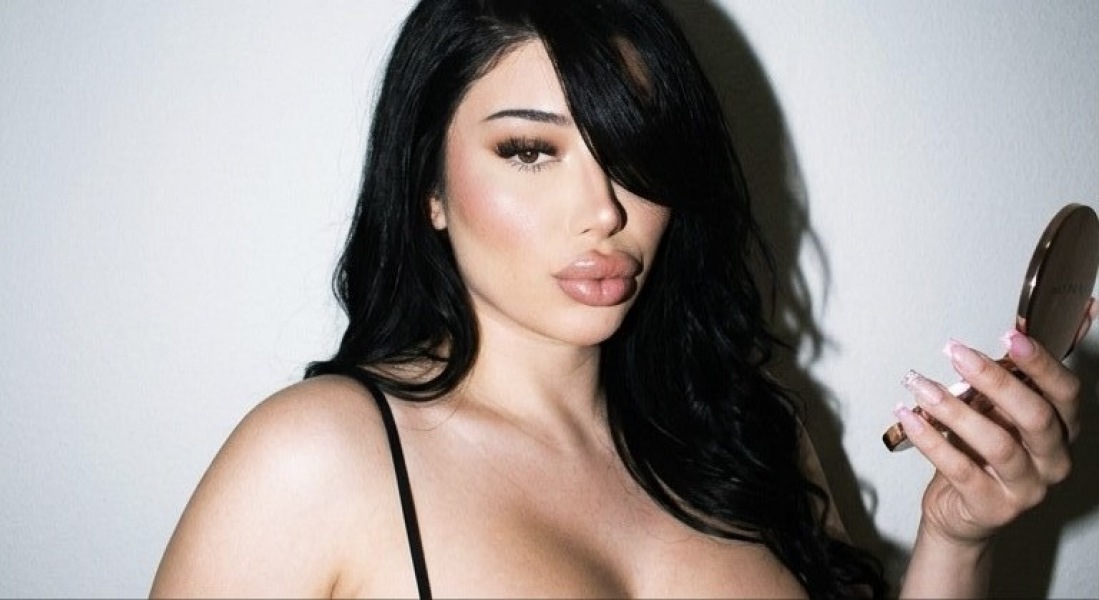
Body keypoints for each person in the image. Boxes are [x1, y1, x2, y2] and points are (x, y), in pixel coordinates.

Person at [150, 0, 1097, 597]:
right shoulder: (316, 460)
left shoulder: (749, 434)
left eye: (633, 153)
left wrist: (956, 539)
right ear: (427, 187)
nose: (603, 211)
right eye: (531, 150)